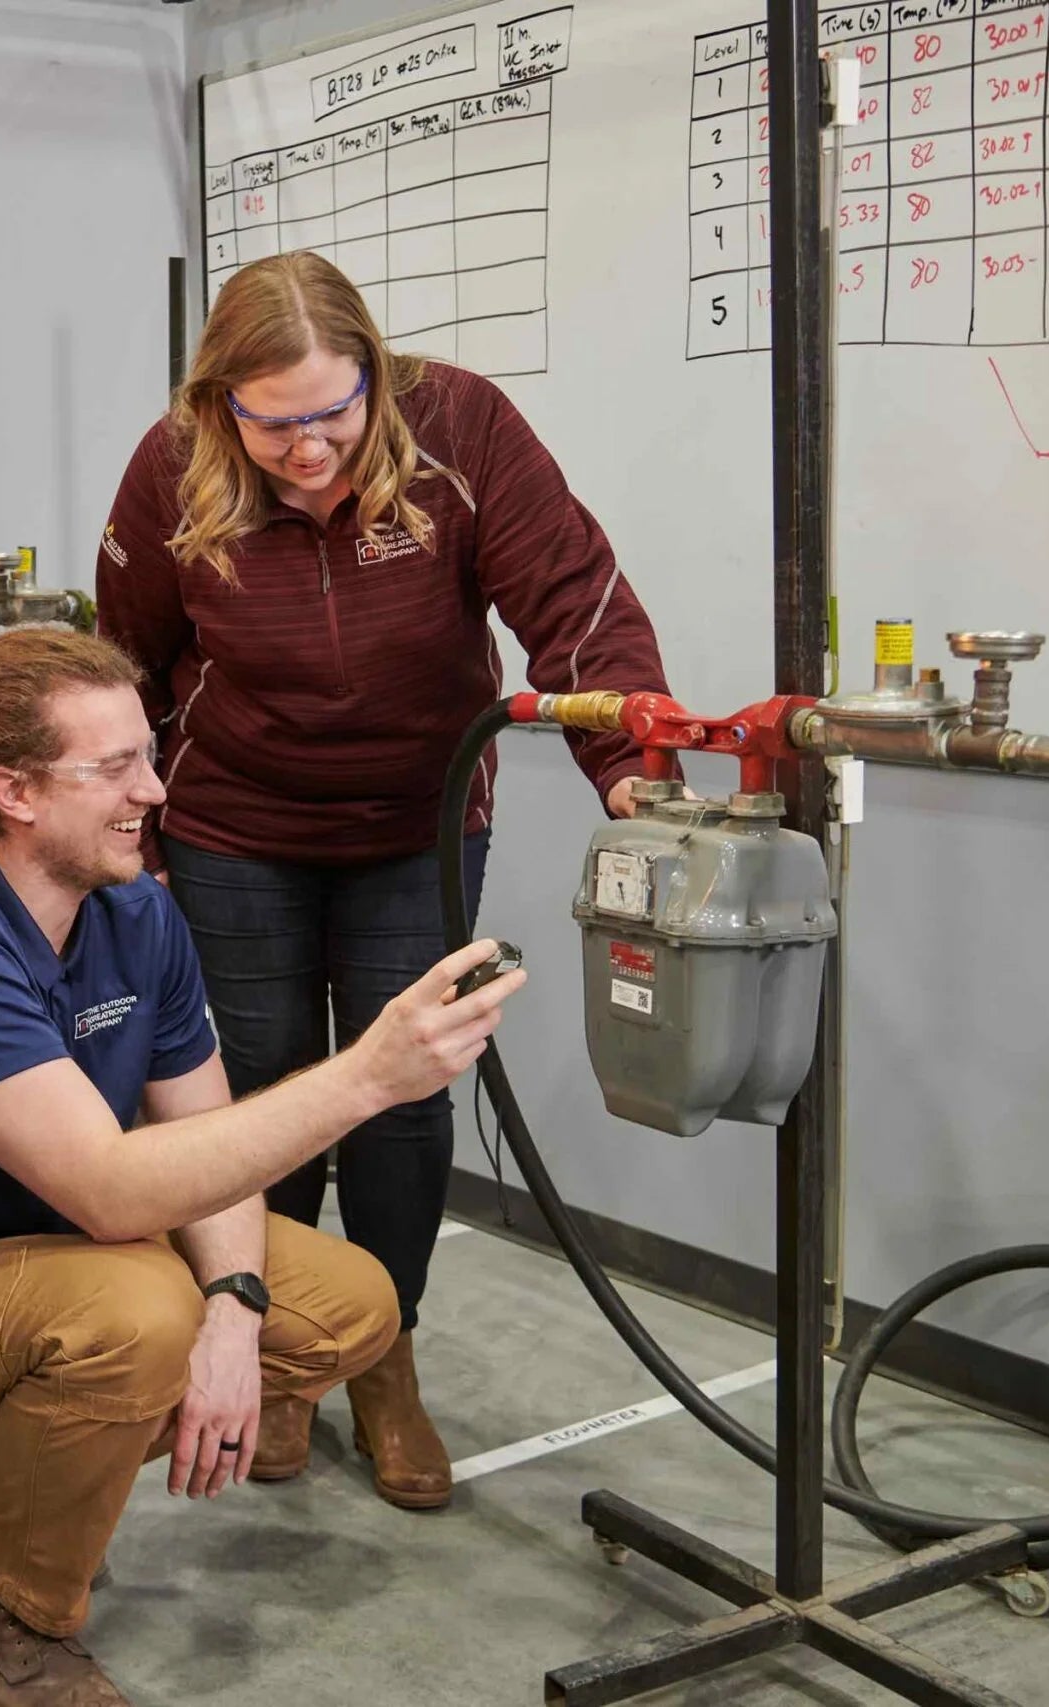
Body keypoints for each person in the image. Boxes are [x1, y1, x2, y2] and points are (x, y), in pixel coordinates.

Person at [0, 619, 526, 1706]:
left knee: (345, 1307)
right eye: (115, 767)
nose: (154, 789)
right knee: (138, 1314)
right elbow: (109, 1188)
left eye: (149, 753)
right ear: (14, 792)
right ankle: (5, 1613)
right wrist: (368, 1076)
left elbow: (204, 1138)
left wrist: (235, 1307)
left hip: (53, 1268)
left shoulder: (136, 912)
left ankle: (10, 1455)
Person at [94, 251, 671, 1511]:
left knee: (402, 1101)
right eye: (271, 425)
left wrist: (629, 767)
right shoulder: (172, 466)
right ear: (218, 405)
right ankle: (279, 1347)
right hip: (233, 824)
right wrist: (124, 832)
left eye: (332, 415)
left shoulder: (462, 427)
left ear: (373, 373)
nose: (307, 450)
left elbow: (574, 605)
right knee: (257, 1094)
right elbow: (125, 661)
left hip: (418, 825)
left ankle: (381, 1352)